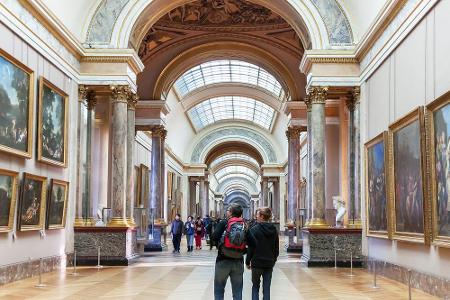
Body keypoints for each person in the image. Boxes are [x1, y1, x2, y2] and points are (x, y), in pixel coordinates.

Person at [212, 204, 247, 300]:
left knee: (219, 288)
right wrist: (242, 250)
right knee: (237, 291)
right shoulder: (244, 224)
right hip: (238, 260)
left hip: (223, 259)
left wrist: (220, 246)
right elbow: (252, 242)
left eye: (228, 210)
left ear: (231, 213)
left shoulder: (224, 223)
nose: (227, 212)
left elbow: (214, 237)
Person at [246, 207, 279, 300]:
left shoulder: (254, 229)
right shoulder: (274, 230)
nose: (256, 217)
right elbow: (276, 248)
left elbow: (250, 248)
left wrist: (247, 261)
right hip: (269, 263)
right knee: (267, 288)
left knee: (255, 287)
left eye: (257, 215)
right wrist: (273, 259)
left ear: (262, 216)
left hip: (257, 263)